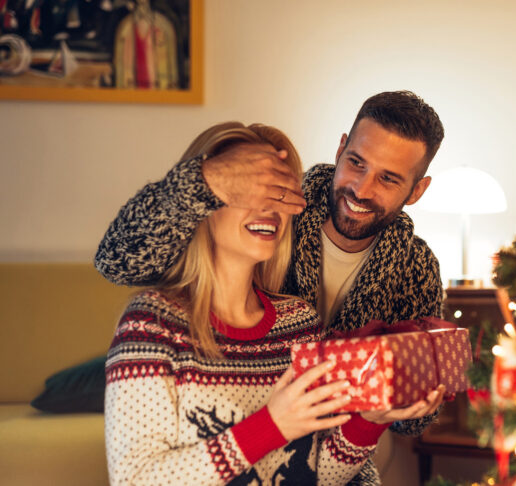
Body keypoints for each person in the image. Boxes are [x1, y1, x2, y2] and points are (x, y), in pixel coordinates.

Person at [95, 91, 446, 484]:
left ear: (416, 190)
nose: (362, 190)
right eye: (356, 163)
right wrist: (204, 180)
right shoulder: (289, 213)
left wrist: (377, 411)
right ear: (341, 149)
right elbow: (117, 259)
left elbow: (315, 465)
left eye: (388, 178)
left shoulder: (408, 270)